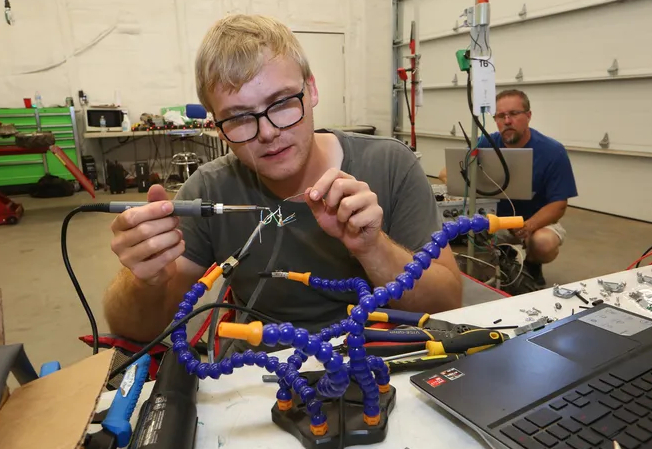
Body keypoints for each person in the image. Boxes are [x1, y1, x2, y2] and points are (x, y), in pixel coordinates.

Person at [103, 14, 462, 344]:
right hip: (256, 375)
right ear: (217, 129)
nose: (268, 132)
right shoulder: (208, 190)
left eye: (281, 102)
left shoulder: (389, 165)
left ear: (312, 90)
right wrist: (145, 279)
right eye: (240, 117)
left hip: (371, 361)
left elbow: (448, 304)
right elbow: (134, 330)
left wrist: (374, 248)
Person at [478, 89, 578, 285]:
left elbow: (558, 204)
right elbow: (449, 172)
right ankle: (502, 258)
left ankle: (532, 264)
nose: (507, 121)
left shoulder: (552, 151)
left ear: (528, 116)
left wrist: (528, 226)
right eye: (500, 116)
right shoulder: (485, 144)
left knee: (544, 243)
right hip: (495, 222)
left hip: (536, 222)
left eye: (514, 114)